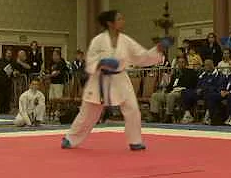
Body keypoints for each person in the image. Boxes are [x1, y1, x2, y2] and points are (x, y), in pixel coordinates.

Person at [61, 10, 171, 151]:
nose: (123, 21)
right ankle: (71, 138)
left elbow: (141, 56)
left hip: (120, 78)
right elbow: (90, 62)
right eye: (119, 19)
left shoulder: (126, 40)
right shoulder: (98, 40)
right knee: (88, 114)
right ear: (110, 23)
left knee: (132, 109)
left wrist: (159, 49)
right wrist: (102, 63)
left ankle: (135, 141)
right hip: (99, 80)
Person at [149, 56, 198, 124]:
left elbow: (192, 84)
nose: (181, 64)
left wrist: (182, 78)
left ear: (186, 63)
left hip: (181, 92)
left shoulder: (191, 72)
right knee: (155, 95)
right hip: (172, 91)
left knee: (171, 96)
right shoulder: (175, 74)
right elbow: (170, 85)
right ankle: (155, 115)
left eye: (183, 62)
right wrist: (165, 90)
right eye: (179, 63)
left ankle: (169, 116)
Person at [180, 59, 221, 125]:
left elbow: (216, 87)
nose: (206, 67)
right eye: (205, 65)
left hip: (209, 93)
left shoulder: (217, 74)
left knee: (209, 94)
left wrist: (203, 89)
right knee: (185, 92)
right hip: (200, 93)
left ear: (212, 65)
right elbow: (198, 84)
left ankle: (208, 116)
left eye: (207, 65)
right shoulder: (203, 74)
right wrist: (198, 89)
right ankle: (188, 114)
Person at [0, 49, 13, 114]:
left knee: (7, 97)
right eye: (8, 53)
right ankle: (1, 111)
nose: (9, 55)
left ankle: (7, 111)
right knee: (0, 98)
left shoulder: (12, 62)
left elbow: (14, 71)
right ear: (5, 54)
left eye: (10, 53)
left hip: (8, 83)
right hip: (0, 82)